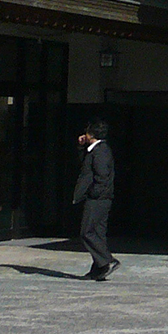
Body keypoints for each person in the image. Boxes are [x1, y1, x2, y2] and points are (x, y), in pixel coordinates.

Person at [72, 119, 118, 280]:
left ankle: (107, 260)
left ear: (91, 134)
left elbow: (102, 177)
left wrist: (94, 193)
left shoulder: (101, 151)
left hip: (99, 198)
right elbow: (85, 166)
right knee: (98, 233)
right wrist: (80, 147)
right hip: (100, 197)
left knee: (87, 231)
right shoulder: (94, 150)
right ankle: (99, 268)